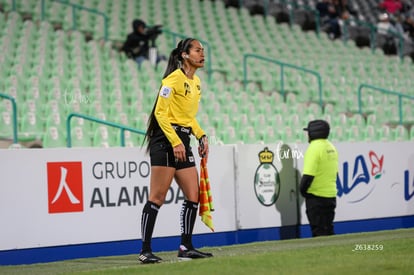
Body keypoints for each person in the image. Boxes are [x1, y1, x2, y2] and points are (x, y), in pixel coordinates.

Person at [138, 38, 212, 264]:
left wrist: (201, 135)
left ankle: (185, 246)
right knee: (157, 198)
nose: (202, 54)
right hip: (165, 140)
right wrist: (175, 142)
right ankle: (145, 250)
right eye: (198, 50)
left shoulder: (196, 82)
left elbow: (188, 118)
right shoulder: (172, 80)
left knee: (193, 196)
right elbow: (160, 114)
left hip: (183, 139)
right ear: (185, 55)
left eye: (203, 51)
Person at [300, 120, 339, 237]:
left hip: (316, 197)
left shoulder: (313, 148)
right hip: (331, 195)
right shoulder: (331, 147)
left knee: (319, 232)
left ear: (313, 133)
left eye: (308, 132)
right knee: (329, 229)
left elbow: (308, 175)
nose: (307, 135)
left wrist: (303, 191)